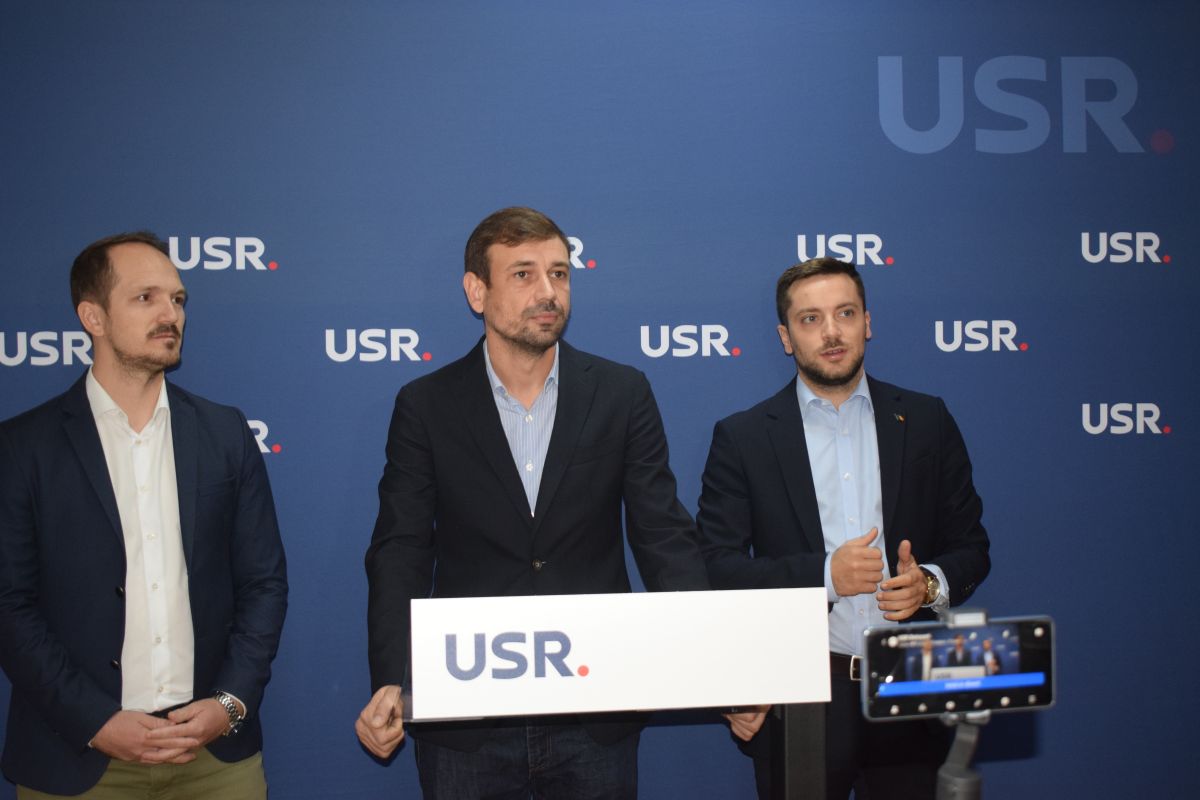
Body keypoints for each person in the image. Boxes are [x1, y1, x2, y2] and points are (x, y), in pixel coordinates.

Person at [355, 207, 709, 798]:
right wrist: (394, 679)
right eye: (523, 274)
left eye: (559, 273)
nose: (548, 291)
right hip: (466, 718)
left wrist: (713, 664)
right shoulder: (426, 405)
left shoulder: (621, 392)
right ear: (477, 291)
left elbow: (663, 535)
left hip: (596, 710)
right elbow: (401, 549)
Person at [0, 232, 288, 798]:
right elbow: (10, 605)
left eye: (177, 300)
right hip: (76, 759)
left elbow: (264, 584)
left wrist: (229, 704)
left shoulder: (225, 433)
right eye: (145, 298)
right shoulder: (22, 447)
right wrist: (95, 722)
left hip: (215, 758)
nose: (170, 314)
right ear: (93, 317)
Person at [695, 257, 990, 799]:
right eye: (810, 319)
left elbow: (972, 547)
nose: (831, 332)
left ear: (867, 323)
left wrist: (928, 584)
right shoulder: (744, 438)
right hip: (801, 689)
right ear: (786, 338)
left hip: (912, 686)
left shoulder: (927, 420)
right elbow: (718, 567)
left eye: (845, 313)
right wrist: (826, 576)